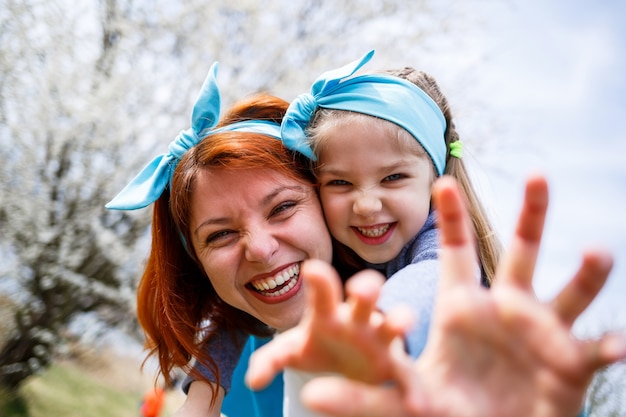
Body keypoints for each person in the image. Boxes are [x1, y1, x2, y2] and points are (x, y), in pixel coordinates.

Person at [247, 174, 626, 417]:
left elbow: (432, 270)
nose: (260, 249)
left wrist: (384, 323)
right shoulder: (244, 358)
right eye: (220, 234)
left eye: (282, 208)